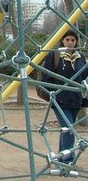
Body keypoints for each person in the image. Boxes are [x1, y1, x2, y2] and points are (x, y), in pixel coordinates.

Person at [41, 29, 87, 164]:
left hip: (76, 99)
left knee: (68, 129)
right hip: (59, 99)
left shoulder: (80, 57)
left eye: (73, 40)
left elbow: (83, 77)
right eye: (68, 40)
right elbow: (47, 76)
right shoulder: (55, 55)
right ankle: (68, 160)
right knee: (69, 128)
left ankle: (61, 158)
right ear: (62, 40)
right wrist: (52, 93)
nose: (70, 43)